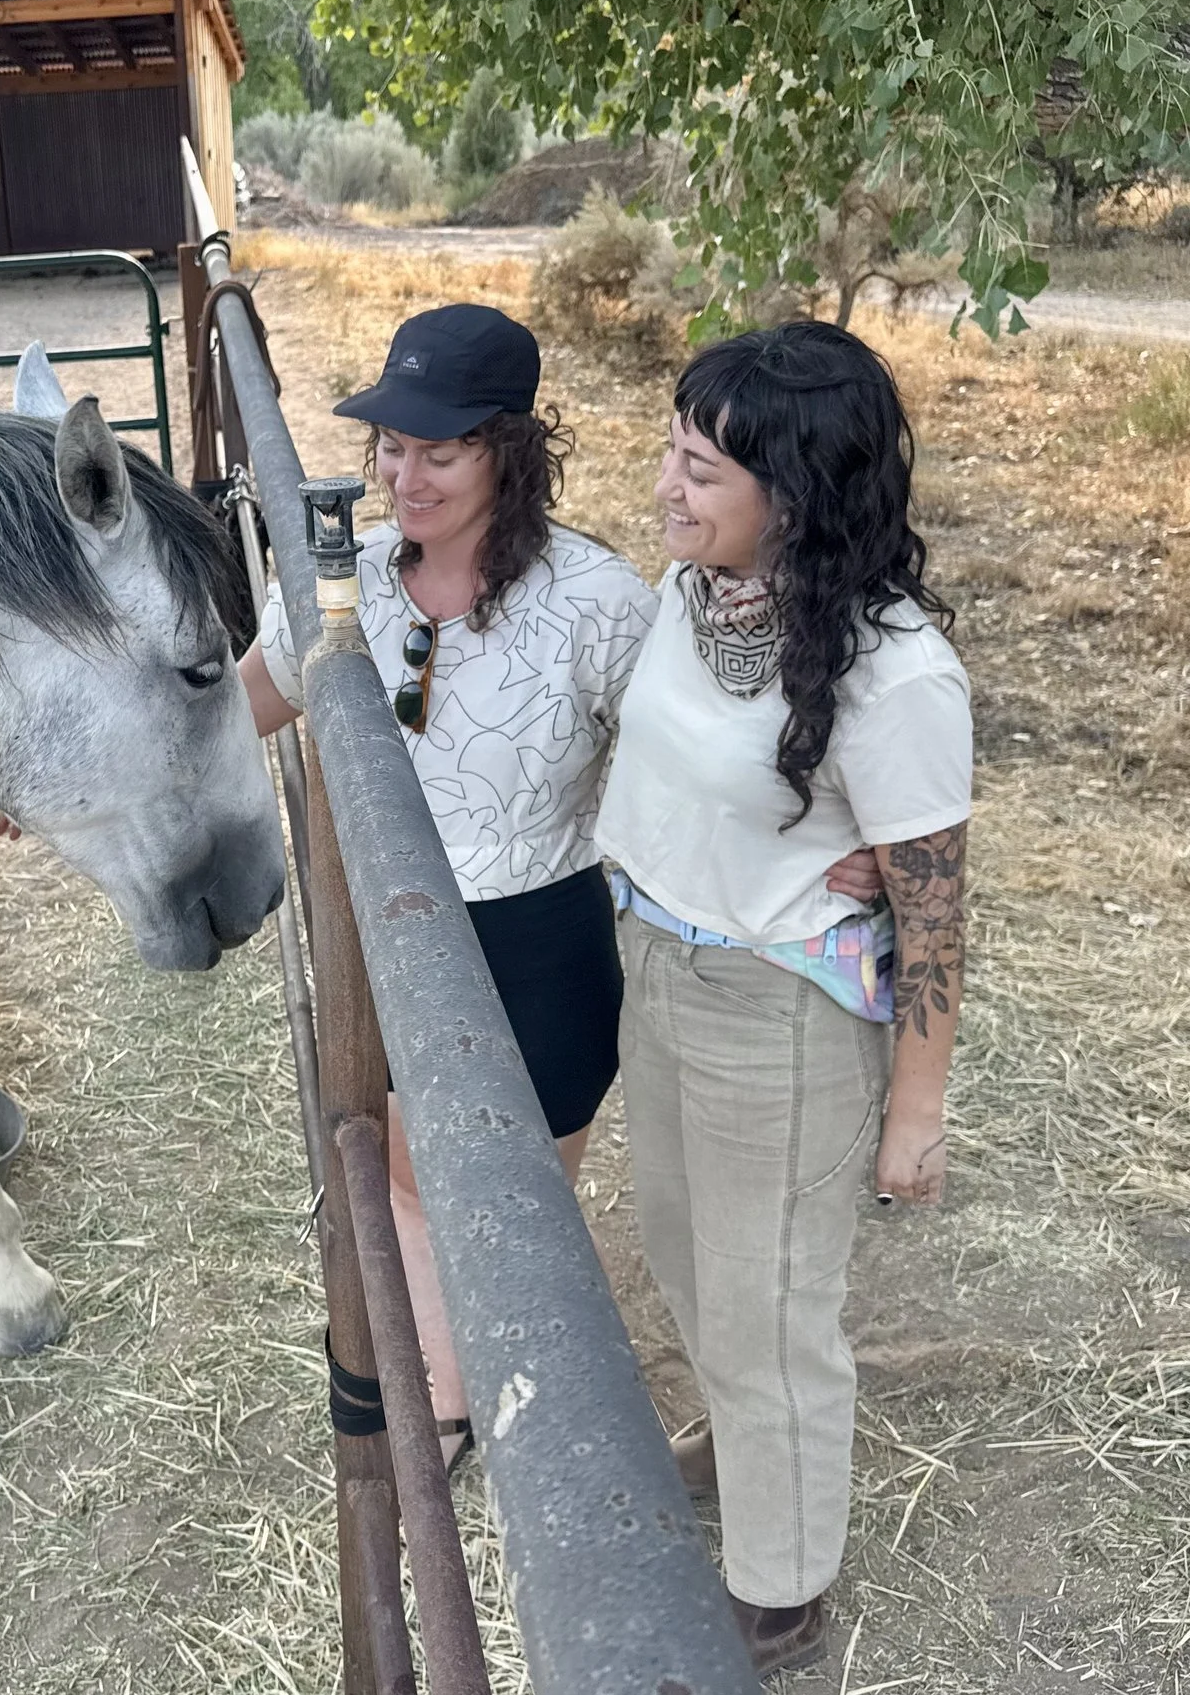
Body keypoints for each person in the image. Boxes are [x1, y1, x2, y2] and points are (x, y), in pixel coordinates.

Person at [236, 305, 879, 1467]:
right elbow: (255, 696)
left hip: (537, 941)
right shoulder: (351, 580)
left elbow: (715, 745)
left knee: (522, 1205)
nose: (404, 474)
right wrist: (89, 780)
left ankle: (510, 1382)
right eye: (391, 446)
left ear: (509, 452)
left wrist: (847, 826)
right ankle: (445, 1401)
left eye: (442, 450)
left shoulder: (598, 602)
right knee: (401, 1179)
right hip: (378, 932)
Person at [596, 319, 972, 1677]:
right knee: (688, 1250)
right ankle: (745, 1437)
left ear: (795, 496)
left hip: (779, 1008)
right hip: (656, 959)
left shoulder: (897, 672)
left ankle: (784, 1575)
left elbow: (931, 902)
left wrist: (914, 1111)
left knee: (772, 1298)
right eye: (672, 452)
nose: (665, 487)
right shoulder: (696, 593)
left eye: (699, 468)